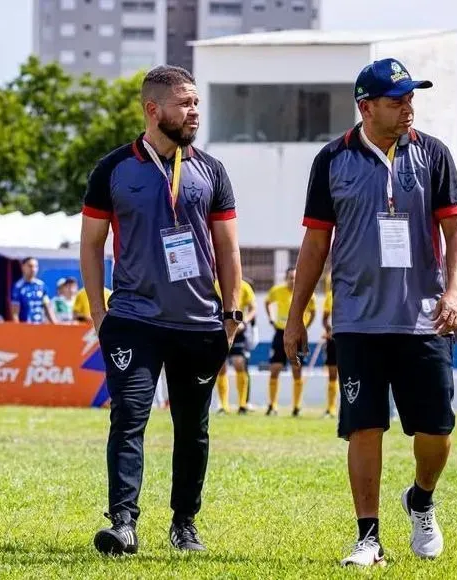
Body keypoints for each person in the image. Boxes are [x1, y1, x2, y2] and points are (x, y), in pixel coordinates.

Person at [283, 58, 457, 567]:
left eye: (411, 98)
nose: (408, 107)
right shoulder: (331, 160)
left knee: (436, 431)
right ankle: (368, 537)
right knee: (365, 426)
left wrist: (454, 293)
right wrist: (296, 314)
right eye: (396, 99)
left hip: (424, 318)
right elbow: (315, 242)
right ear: (365, 107)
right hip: (358, 321)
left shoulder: (435, 155)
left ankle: (422, 499)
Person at [79, 64, 242, 556]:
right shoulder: (113, 169)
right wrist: (98, 313)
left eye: (196, 102)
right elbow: (91, 244)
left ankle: (184, 525)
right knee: (128, 417)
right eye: (186, 103)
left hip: (199, 323)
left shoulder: (211, 170)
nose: (195, 111)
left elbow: (228, 249)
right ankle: (123, 523)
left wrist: (231, 315)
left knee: (193, 428)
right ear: (154, 110)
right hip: (133, 320)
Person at [264, 267, 316, 416]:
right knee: (275, 369)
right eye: (290, 278)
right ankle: (272, 406)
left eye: (295, 278)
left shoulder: (307, 292)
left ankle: (296, 407)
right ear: (286, 278)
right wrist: (271, 319)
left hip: (298, 336)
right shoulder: (276, 290)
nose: (293, 280)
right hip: (280, 333)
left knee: (297, 370)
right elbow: (267, 302)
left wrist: (305, 326)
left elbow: (313, 312)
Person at [213, 277, 256, 414]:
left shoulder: (244, 286)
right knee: (221, 367)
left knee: (239, 363)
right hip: (218, 329)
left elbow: (253, 308)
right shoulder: (214, 285)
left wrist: (245, 322)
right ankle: (223, 406)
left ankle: (242, 404)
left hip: (238, 330)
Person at [10, 257, 57, 324]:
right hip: (25, 327)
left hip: (40, 326)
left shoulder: (41, 285)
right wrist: (18, 329)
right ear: (23, 267)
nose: (33, 269)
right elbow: (15, 312)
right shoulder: (18, 287)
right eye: (30, 266)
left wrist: (55, 324)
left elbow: (48, 308)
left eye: (36, 266)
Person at [320, 275, 339, 418]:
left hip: (352, 338)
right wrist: (329, 330)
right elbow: (325, 319)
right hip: (334, 340)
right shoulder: (330, 296)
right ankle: (331, 408)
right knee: (332, 374)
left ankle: (347, 407)